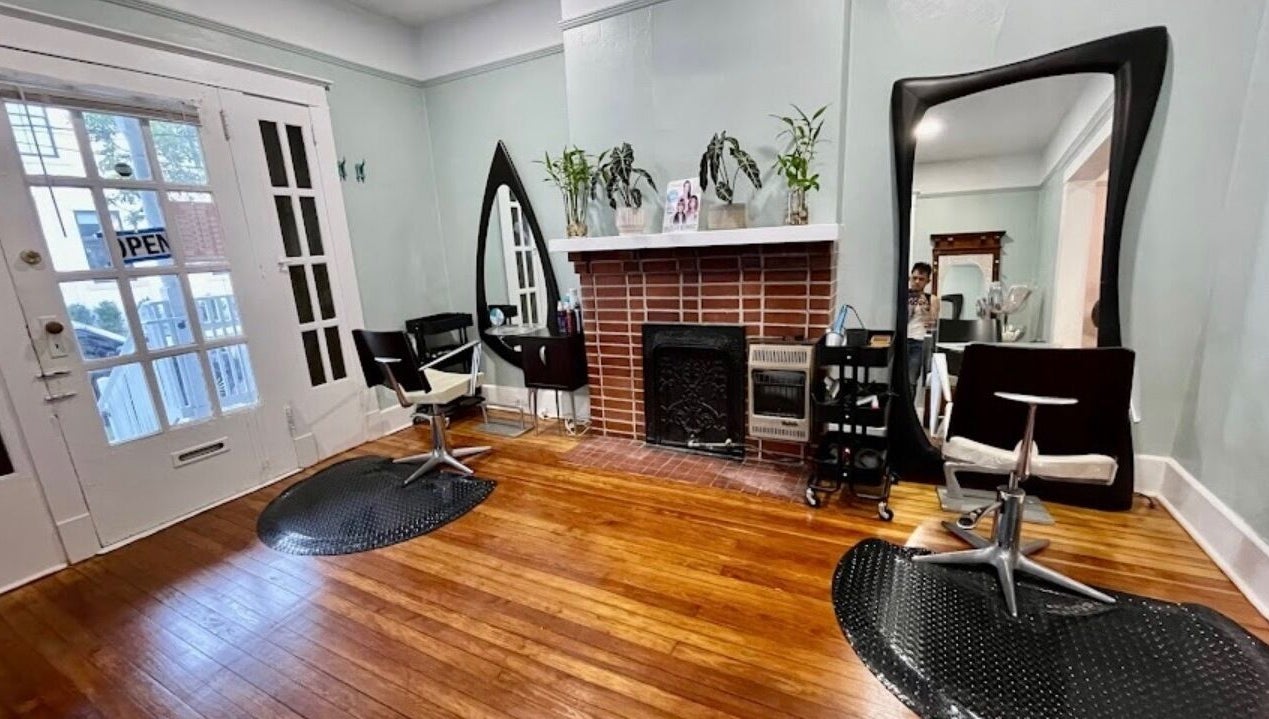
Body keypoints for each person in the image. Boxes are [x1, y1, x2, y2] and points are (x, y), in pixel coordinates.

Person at [907, 262, 939, 389]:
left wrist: (925, 308)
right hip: (900, 341)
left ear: (928, 281)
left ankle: (908, 408)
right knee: (895, 378)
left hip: (918, 343)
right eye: (914, 278)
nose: (917, 281)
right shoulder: (901, 295)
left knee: (911, 380)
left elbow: (932, 325)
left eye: (921, 279)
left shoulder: (932, 299)